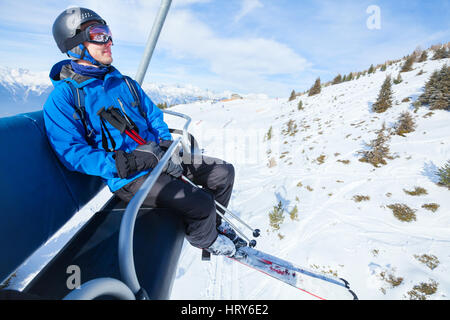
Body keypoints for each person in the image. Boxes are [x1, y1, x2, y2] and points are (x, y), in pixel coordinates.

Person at [44, 7, 241, 257]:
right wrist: (131, 161)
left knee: (223, 173)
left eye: (108, 33)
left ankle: (212, 224)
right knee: (201, 202)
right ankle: (205, 239)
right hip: (129, 177)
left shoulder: (126, 83)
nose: (109, 41)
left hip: (160, 157)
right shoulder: (65, 97)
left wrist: (165, 144)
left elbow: (153, 115)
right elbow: (72, 153)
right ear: (75, 44)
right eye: (99, 34)